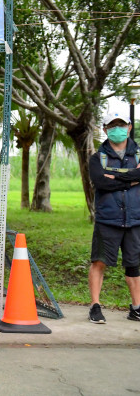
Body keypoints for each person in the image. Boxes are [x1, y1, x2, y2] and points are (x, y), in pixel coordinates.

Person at [88, 112, 140, 323]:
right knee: (99, 262)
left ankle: (136, 307)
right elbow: (101, 183)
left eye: (121, 125)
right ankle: (95, 306)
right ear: (105, 129)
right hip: (108, 219)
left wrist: (116, 176)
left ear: (129, 127)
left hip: (135, 219)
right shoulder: (96, 158)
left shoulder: (138, 154)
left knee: (134, 265)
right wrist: (131, 179)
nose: (117, 129)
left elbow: (112, 180)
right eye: (112, 125)